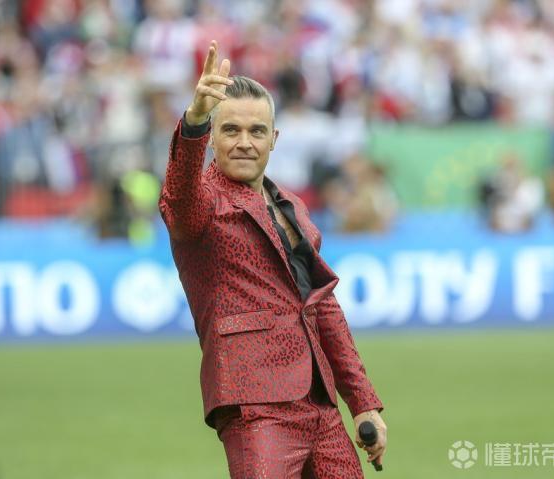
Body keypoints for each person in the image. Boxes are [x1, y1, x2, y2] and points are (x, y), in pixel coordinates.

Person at [159, 40, 387, 478]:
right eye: (231, 130)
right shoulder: (202, 202)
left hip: (319, 403)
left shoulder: (293, 207)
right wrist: (194, 122)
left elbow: (322, 307)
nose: (245, 142)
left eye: (257, 131)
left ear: (274, 139)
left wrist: (362, 402)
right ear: (213, 138)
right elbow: (179, 196)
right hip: (254, 403)